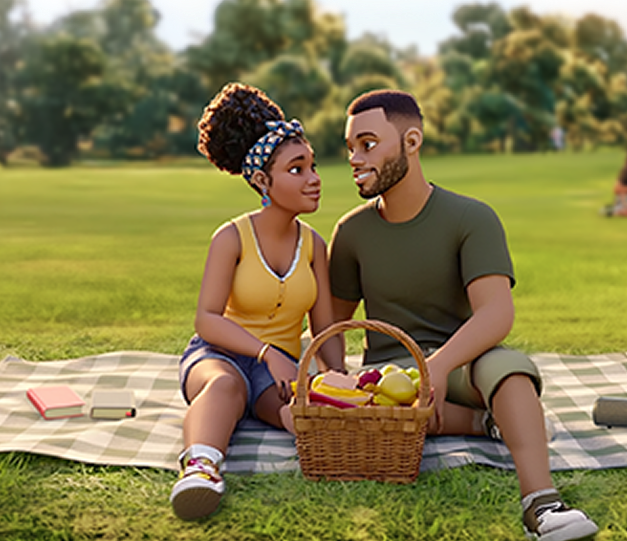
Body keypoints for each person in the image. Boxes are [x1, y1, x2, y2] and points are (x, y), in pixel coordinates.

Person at [328, 89, 601, 541]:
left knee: (511, 373)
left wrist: (439, 366)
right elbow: (334, 327)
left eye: (369, 144)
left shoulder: (471, 217)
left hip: (463, 364)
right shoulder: (351, 231)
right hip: (389, 375)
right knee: (368, 415)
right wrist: (336, 378)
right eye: (351, 147)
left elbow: (496, 313)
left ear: (411, 142)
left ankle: (541, 504)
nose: (355, 158)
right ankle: (487, 423)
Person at [170, 84, 351, 521]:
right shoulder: (231, 237)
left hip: (282, 369)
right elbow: (207, 319)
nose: (314, 178)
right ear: (262, 181)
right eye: (296, 169)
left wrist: (338, 380)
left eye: (312, 165)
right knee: (227, 389)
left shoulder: (314, 246)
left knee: (299, 412)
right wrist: (267, 353)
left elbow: (325, 329)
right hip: (219, 356)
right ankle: (201, 469)